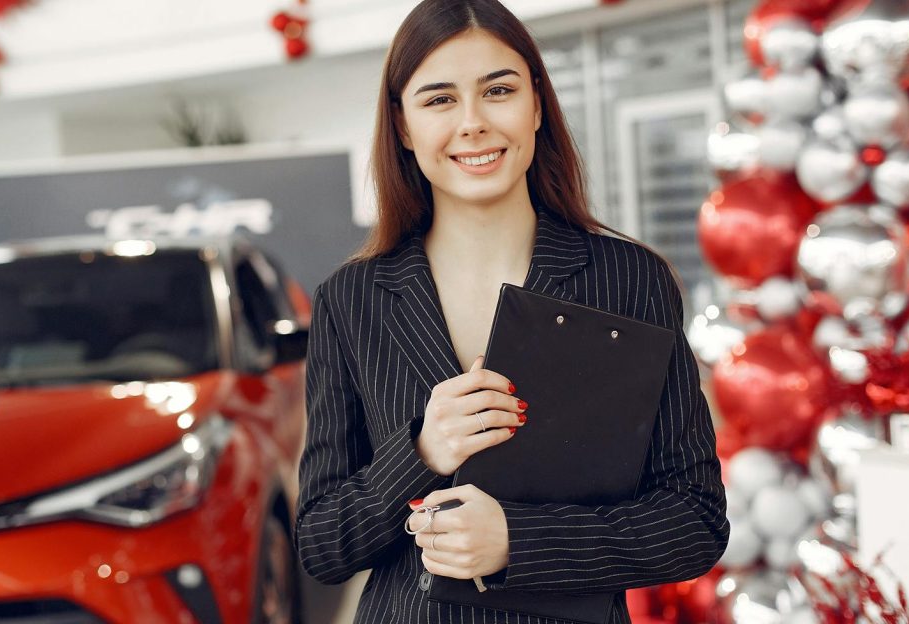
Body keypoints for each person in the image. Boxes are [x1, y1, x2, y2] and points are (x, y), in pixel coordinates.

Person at [294, 1, 729, 622]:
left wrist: (518, 544)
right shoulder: (353, 298)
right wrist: (421, 451)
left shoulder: (629, 279)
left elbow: (693, 520)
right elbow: (321, 545)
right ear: (403, 126)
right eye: (439, 99)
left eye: (498, 90)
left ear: (537, 105)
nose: (472, 123)